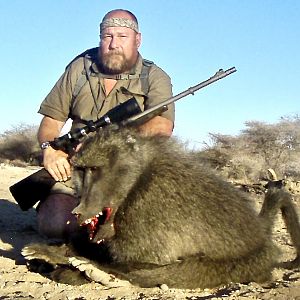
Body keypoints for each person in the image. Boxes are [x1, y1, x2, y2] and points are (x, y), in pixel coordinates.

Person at [36, 9, 175, 239]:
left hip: (123, 172)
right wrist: (49, 150)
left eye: (122, 36)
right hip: (76, 168)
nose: (113, 44)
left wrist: (104, 144)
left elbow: (162, 127)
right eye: (107, 36)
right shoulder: (79, 67)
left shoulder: (155, 77)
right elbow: (51, 121)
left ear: (137, 40)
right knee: (54, 223)